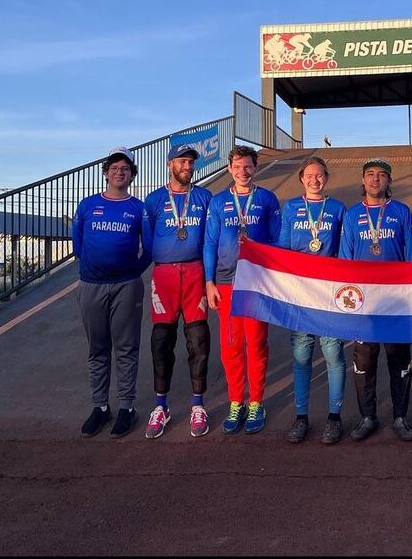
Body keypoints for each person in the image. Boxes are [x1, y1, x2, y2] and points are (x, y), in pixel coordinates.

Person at [339, 158, 412, 442]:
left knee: (399, 359)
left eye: (381, 175)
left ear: (388, 182)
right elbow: (345, 261)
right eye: (370, 175)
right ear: (363, 181)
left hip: (397, 300)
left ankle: (400, 416)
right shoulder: (351, 216)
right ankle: (368, 416)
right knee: (365, 361)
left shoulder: (401, 212)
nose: (375, 180)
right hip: (364, 302)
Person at [74, 146, 151, 439]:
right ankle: (100, 406)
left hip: (126, 286)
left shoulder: (137, 207)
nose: (120, 172)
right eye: (114, 168)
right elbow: (78, 244)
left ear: (132, 175)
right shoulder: (87, 205)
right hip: (91, 285)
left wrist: (132, 270)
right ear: (106, 172)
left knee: (126, 347)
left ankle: (127, 408)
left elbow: (150, 247)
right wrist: (93, 268)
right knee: (97, 348)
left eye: (126, 169)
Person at [203, 145, 281, 435]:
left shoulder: (267, 199)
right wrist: (209, 282)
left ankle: (257, 401)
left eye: (248, 166)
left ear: (255, 168)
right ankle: (237, 401)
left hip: (256, 282)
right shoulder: (219, 201)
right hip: (226, 282)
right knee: (230, 346)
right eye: (237, 167)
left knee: (256, 343)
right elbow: (209, 242)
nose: (243, 171)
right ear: (229, 169)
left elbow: (276, 241)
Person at [141, 144, 213, 439]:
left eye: (191, 162)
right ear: (170, 163)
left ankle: (198, 404)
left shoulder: (204, 197)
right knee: (161, 342)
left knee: (198, 341)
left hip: (196, 273)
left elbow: (211, 236)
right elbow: (148, 240)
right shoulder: (155, 200)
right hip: (165, 275)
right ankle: (161, 405)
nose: (188, 166)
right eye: (182, 161)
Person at [279, 156, 347, 444]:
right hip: (300, 291)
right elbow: (282, 248)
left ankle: (334, 417)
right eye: (309, 175)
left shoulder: (338, 208)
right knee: (302, 353)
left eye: (319, 175)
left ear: (326, 178)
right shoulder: (292, 207)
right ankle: (301, 416)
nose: (314, 179)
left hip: (329, 291)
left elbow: (344, 252)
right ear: (302, 179)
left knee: (332, 352)